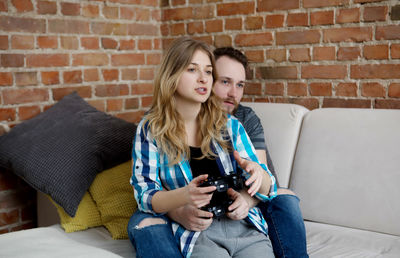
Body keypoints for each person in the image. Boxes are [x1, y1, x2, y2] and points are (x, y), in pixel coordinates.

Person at [128, 37, 277, 258]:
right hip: (199, 235)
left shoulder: (231, 126)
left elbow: (269, 188)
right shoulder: (151, 129)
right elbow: (145, 194)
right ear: (172, 75)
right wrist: (183, 196)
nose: (203, 79)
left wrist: (259, 175)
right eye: (192, 69)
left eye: (208, 72)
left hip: (246, 230)